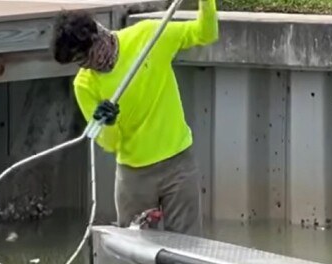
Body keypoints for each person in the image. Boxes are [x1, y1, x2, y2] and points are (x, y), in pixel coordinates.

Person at [51, 0, 219, 235]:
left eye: (88, 55)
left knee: (189, 249)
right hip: (134, 178)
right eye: (80, 62)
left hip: (178, 164)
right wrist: (108, 123)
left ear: (97, 34)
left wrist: (206, 2)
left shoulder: (149, 36)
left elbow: (206, 33)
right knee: (135, 253)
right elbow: (110, 144)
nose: (89, 65)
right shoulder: (84, 85)